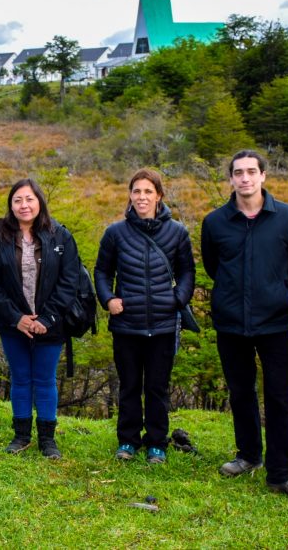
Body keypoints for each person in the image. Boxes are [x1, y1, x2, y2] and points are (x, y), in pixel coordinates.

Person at [200, 150, 288, 500]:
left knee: (281, 396)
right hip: (231, 322)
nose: (245, 178)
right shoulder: (215, 222)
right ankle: (249, 456)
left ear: (264, 176)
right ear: (231, 179)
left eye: (252, 171)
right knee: (241, 392)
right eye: (238, 172)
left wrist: (273, 290)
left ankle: (283, 473)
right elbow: (211, 266)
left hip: (275, 322)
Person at [94, 168, 195, 464]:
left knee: (157, 387)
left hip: (163, 325)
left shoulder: (177, 232)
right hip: (126, 324)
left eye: (148, 191)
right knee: (129, 386)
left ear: (159, 195)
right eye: (136, 191)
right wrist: (108, 298)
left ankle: (157, 443)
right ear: (129, 195)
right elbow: (102, 271)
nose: (142, 197)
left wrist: (178, 299)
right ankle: (127, 441)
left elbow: (187, 271)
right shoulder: (115, 233)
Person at [0, 179, 79, 459]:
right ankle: (21, 435)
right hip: (13, 324)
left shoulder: (60, 235)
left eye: (29, 199)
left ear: (40, 202)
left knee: (45, 380)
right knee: (21, 379)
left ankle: (48, 440)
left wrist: (46, 318)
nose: (24, 205)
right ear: (11, 205)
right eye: (17, 200)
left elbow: (69, 280)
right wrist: (17, 318)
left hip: (51, 323)